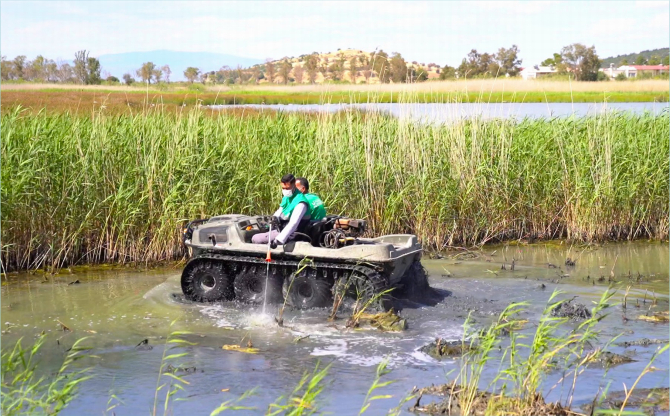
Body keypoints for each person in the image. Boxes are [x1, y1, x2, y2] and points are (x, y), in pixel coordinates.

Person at [252, 173, 311, 247]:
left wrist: (279, 240)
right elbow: (281, 210)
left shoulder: (301, 203)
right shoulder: (287, 197)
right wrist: (273, 218)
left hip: (292, 234)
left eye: (287, 188)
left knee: (256, 238)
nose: (285, 190)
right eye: (283, 188)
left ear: (294, 185)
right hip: (282, 228)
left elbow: (293, 223)